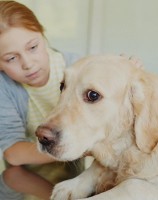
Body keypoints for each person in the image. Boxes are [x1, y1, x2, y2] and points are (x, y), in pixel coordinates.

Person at [0, 1, 84, 199]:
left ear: (42, 33)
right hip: (26, 178)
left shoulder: (77, 67)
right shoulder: (4, 88)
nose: (28, 64)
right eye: (11, 58)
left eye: (33, 47)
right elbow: (13, 154)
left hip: (78, 171)